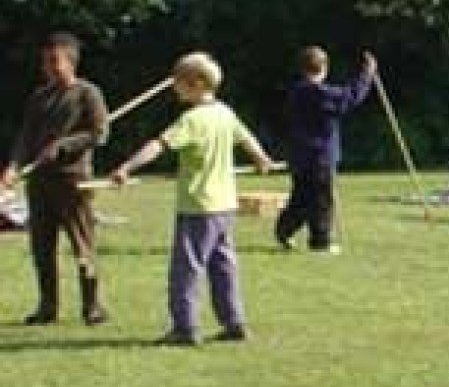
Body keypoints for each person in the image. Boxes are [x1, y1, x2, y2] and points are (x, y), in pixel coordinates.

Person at [110, 53, 278, 345]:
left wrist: (126, 168)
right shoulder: (225, 112)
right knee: (223, 266)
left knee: (186, 269)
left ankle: (185, 329)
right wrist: (261, 158)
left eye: (178, 82)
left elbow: (158, 145)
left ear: (197, 83)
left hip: (198, 206)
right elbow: (246, 137)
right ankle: (234, 322)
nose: (174, 87)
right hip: (225, 205)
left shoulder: (191, 120)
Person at [1, 33, 109, 325]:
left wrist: (64, 146)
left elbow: (99, 133)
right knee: (42, 247)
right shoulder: (39, 97)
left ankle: (92, 306)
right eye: (45, 61)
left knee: (82, 246)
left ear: (70, 62)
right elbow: (25, 137)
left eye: (54, 61)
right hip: (39, 183)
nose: (47, 67)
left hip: (72, 182)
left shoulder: (87, 93)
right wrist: (13, 166)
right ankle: (47, 307)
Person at [275, 47, 376, 253]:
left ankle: (284, 230)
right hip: (319, 155)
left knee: (301, 197)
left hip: (299, 154)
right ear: (324, 67)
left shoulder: (297, 92)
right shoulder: (319, 93)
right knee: (321, 199)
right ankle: (320, 242)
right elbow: (351, 96)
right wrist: (367, 74)